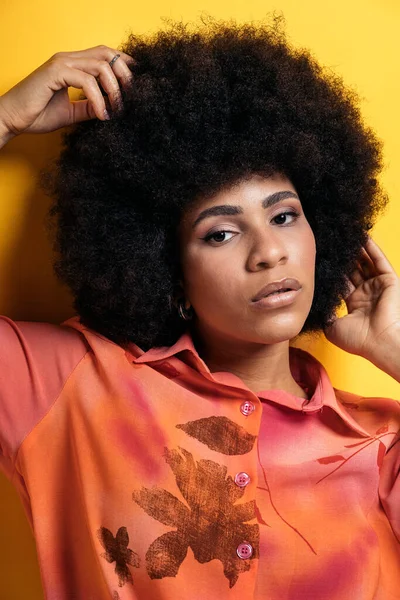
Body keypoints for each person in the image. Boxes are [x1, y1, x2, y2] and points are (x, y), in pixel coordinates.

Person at [0, 15, 399, 600]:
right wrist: (4, 116)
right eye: (220, 233)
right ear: (168, 271)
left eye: (284, 216)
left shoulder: (381, 441)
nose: (268, 252)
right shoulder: (70, 387)